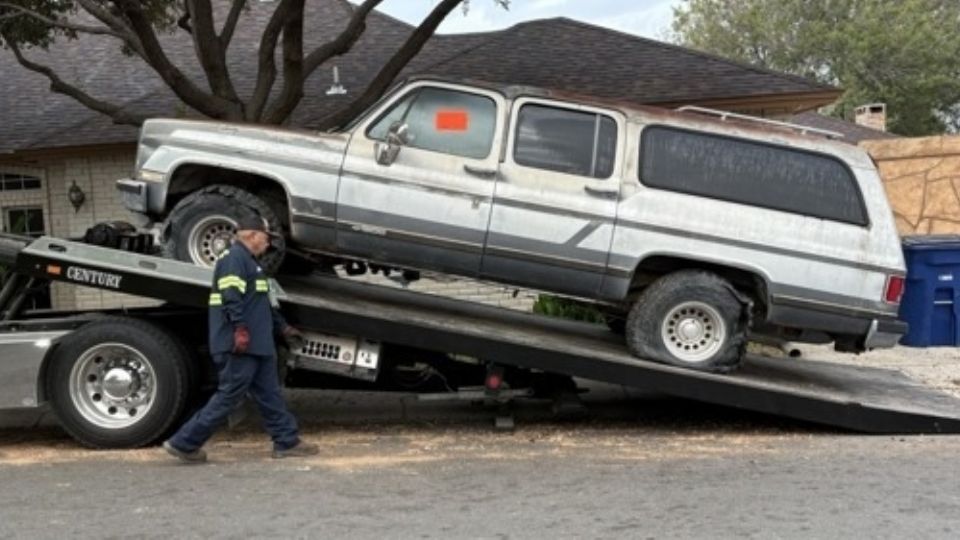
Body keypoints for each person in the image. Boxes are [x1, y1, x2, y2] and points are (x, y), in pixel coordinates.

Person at [163, 214, 318, 463]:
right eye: (267, 238)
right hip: (240, 345)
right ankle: (184, 442)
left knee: (270, 395)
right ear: (253, 235)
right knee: (228, 396)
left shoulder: (251, 264)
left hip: (258, 345)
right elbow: (230, 296)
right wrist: (240, 330)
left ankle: (287, 442)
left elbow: (262, 304)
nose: (269, 244)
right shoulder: (234, 259)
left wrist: (284, 328)